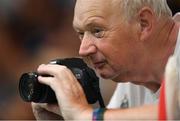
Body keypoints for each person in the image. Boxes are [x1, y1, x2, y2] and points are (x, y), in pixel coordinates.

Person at [32, 0, 180, 120]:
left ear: (143, 23)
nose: (83, 50)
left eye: (97, 31)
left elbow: (174, 112)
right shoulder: (134, 73)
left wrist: (87, 116)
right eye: (81, 34)